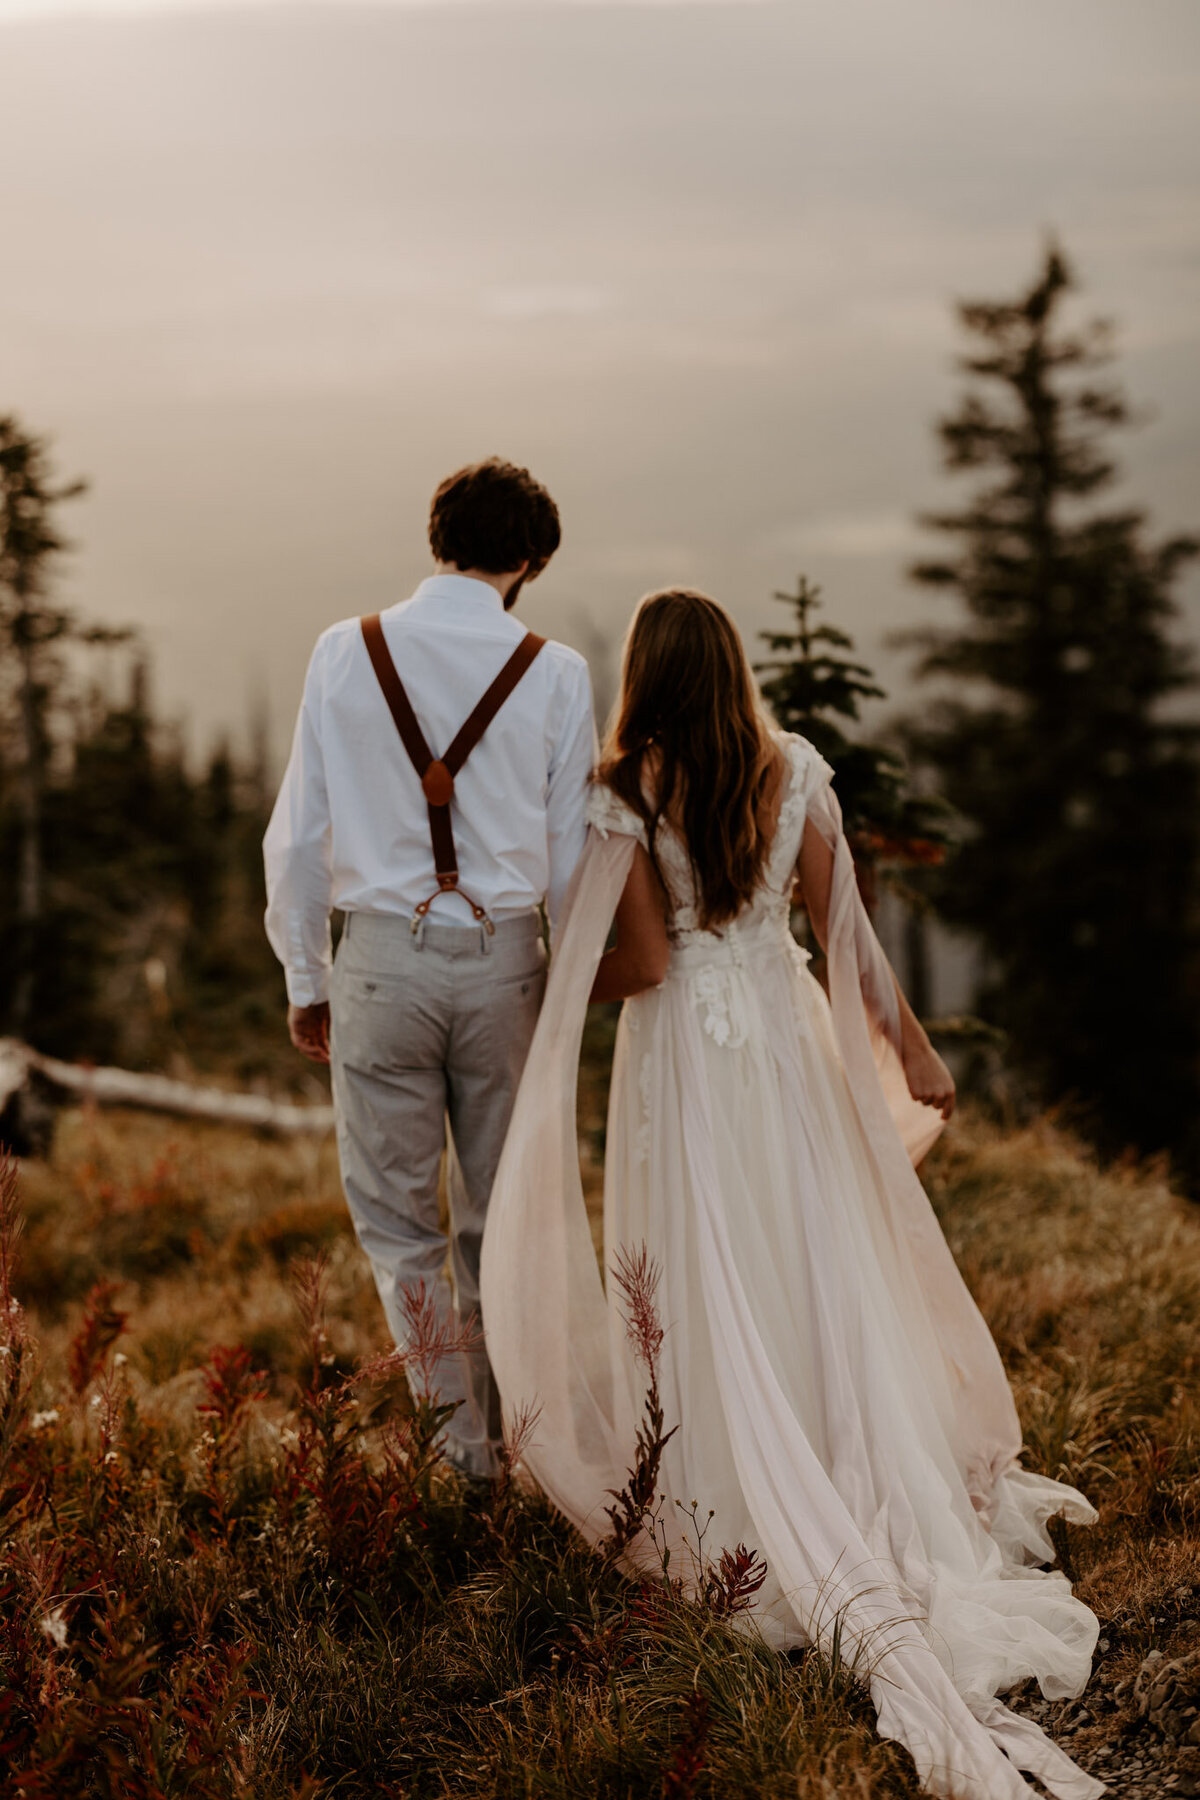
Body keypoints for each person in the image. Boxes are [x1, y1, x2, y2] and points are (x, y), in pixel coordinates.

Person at [480, 589, 1104, 1799]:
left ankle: (741, 1487)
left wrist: (556, 986)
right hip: (787, 1055)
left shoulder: (629, 791)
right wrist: (913, 1053)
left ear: (646, 679)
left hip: (688, 1076)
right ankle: (849, 1456)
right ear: (734, 670)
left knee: (716, 1274)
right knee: (819, 1260)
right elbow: (846, 938)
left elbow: (648, 960)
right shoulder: (796, 771)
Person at [264, 458, 596, 1478]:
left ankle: (459, 1461)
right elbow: (574, 853)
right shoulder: (556, 670)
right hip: (507, 968)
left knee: (400, 1228)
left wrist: (305, 979)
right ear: (528, 559)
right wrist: (571, 995)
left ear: (436, 541)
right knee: (503, 1217)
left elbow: (297, 837)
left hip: (375, 965)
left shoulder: (341, 650)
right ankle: (517, 1440)